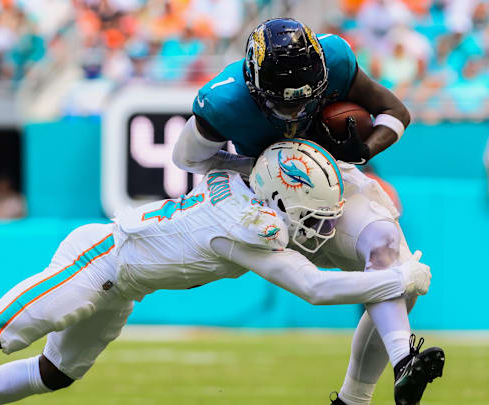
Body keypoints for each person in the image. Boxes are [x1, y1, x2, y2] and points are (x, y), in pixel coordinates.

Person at [0, 140, 432, 405]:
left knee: (53, 375)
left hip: (127, 286)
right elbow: (316, 287)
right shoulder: (244, 227)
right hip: (100, 260)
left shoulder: (249, 192)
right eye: (307, 213)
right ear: (275, 198)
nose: (317, 226)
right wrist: (400, 279)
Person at [173, 18, 444, 405]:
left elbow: (394, 111)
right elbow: (187, 159)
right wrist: (257, 166)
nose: (296, 107)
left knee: (390, 252)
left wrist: (362, 152)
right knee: (371, 280)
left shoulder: (335, 58)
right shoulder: (225, 100)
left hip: (327, 181)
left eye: (304, 97)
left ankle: (394, 368)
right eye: (283, 100)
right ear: (254, 83)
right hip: (264, 203)